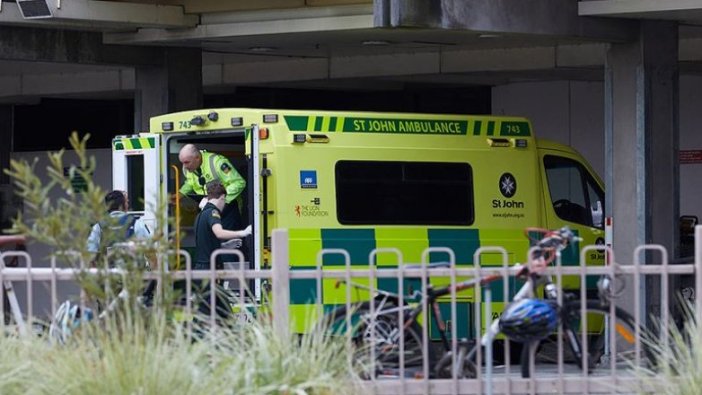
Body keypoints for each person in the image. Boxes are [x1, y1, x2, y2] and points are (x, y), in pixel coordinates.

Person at [193, 181, 251, 320]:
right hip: (209, 270)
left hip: (204, 269)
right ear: (221, 198)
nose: (224, 204)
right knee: (205, 313)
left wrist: (226, 246)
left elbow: (207, 243)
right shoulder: (213, 212)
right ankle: (192, 337)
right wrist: (242, 233)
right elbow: (219, 233)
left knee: (223, 312)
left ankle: (228, 337)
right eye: (224, 200)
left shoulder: (201, 215)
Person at [178, 144, 246, 231]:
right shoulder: (190, 167)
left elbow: (239, 183)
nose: (185, 166)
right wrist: (181, 194)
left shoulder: (218, 162)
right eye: (183, 163)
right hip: (206, 208)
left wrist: (217, 196)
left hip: (226, 207)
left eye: (187, 162)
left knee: (228, 241)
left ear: (197, 158)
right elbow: (191, 182)